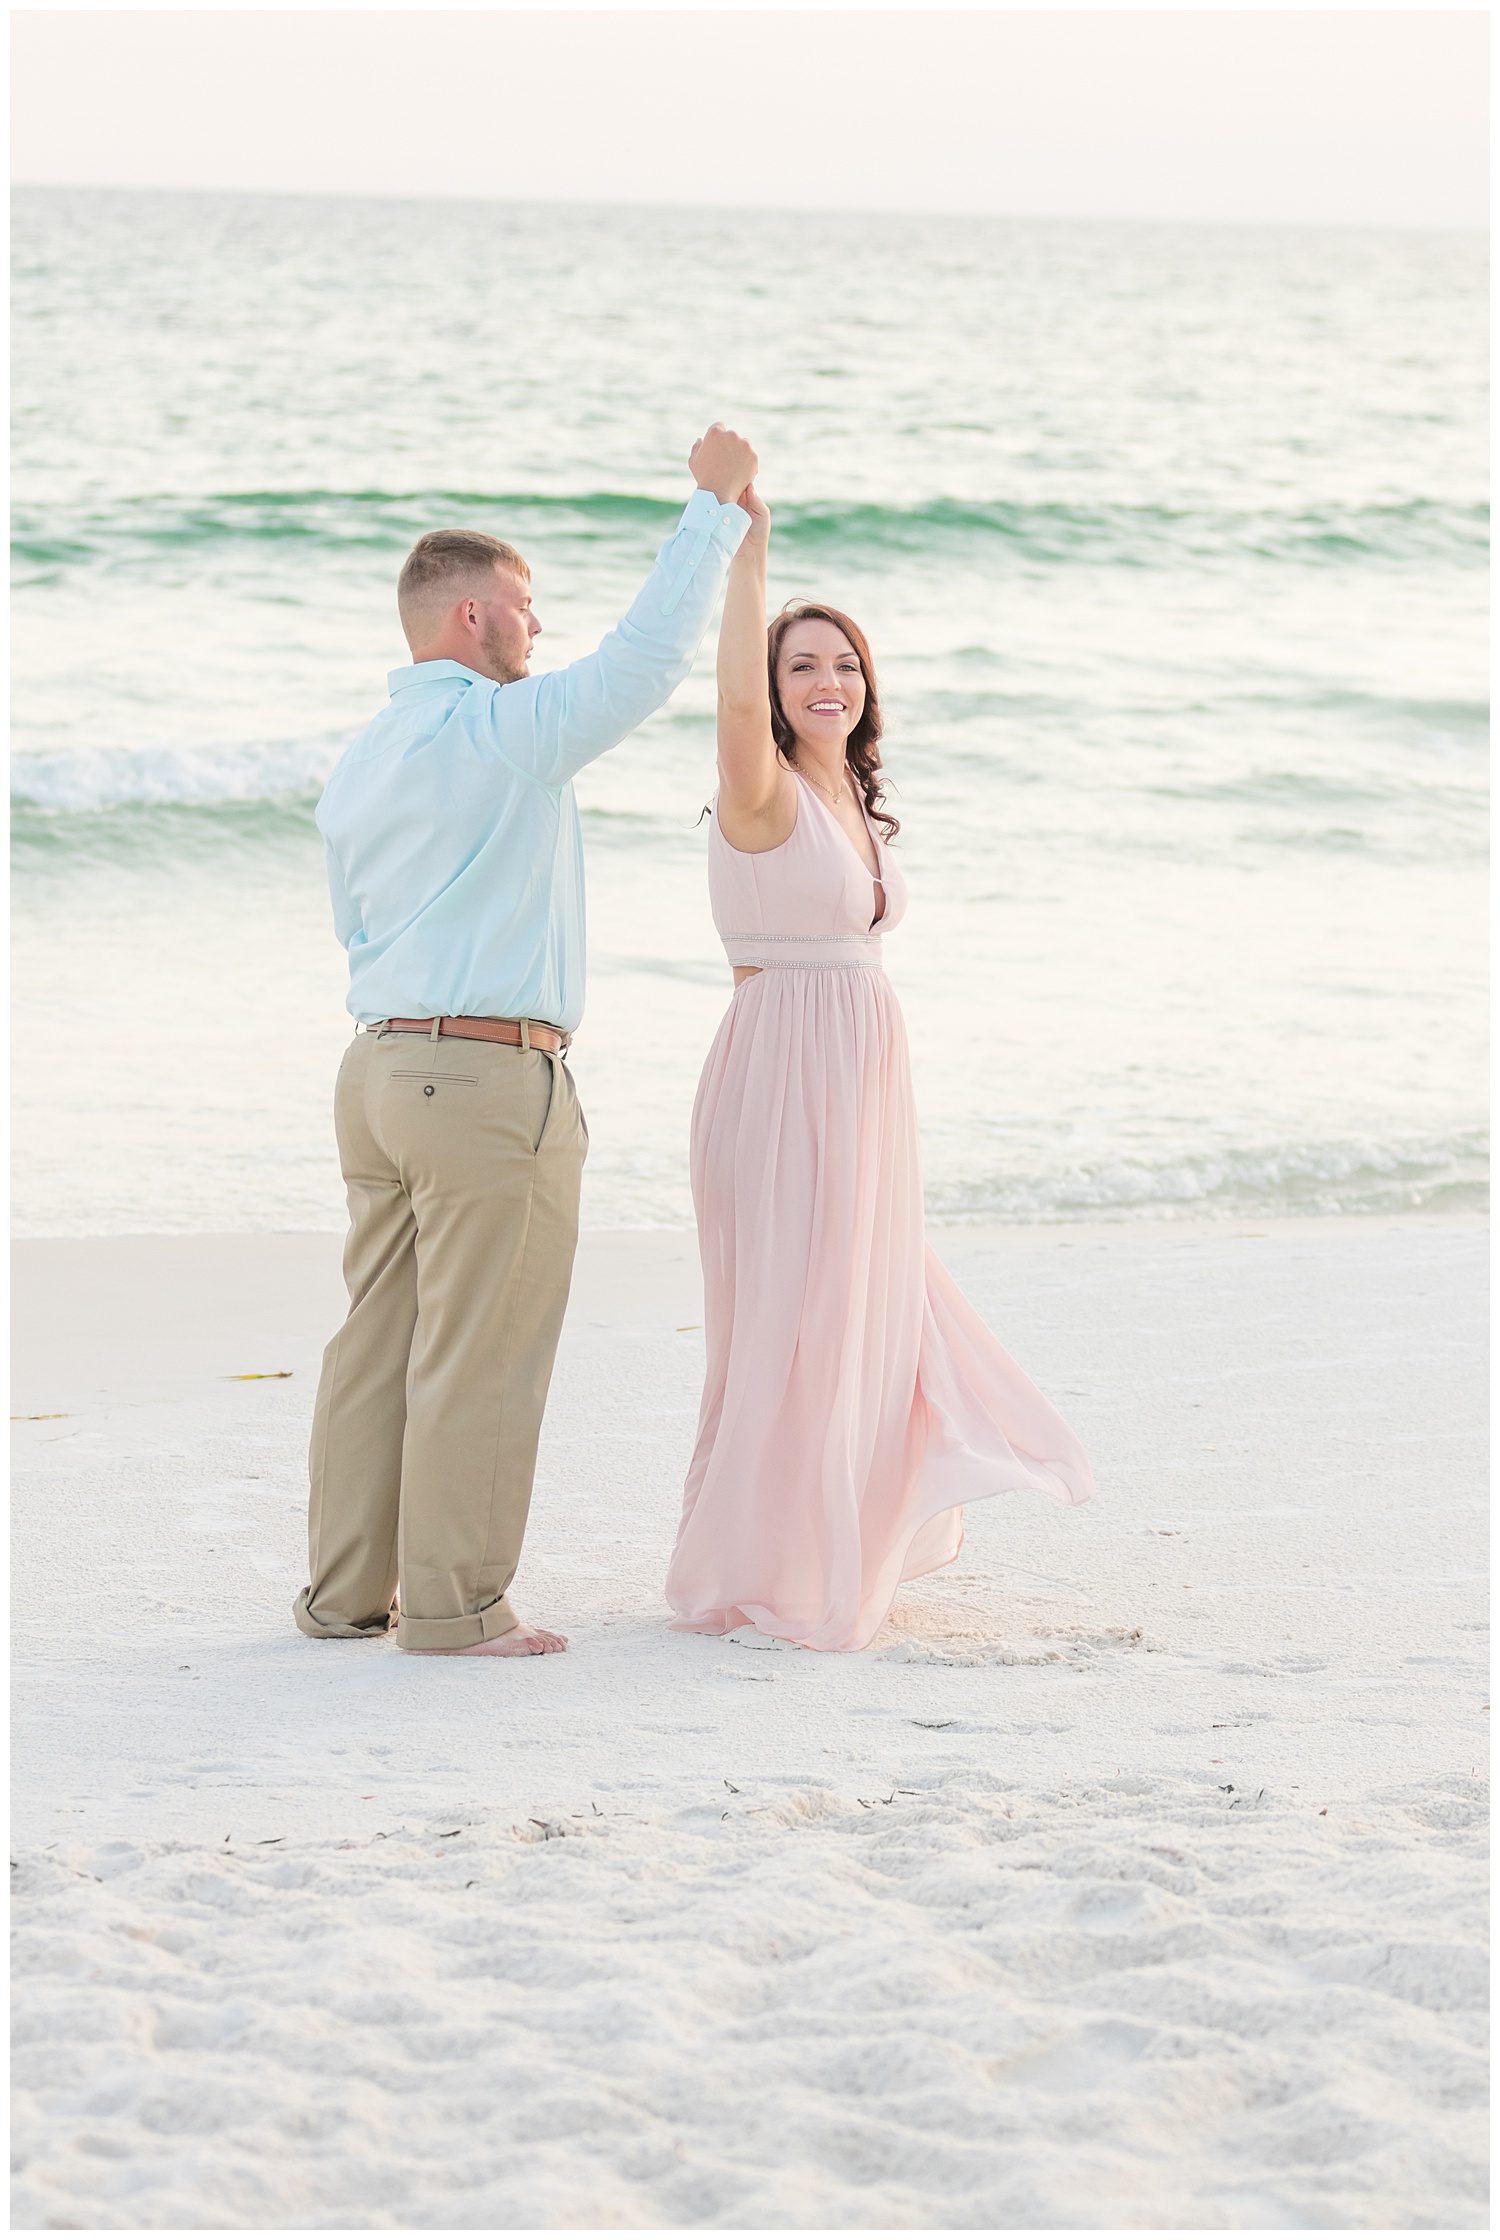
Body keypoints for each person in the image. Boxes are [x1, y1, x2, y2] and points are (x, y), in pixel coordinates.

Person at [296, 424, 756, 1658]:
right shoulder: (502, 735)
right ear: (467, 621)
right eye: (521, 607)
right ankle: (456, 1606)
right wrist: (711, 510)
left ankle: (344, 1595)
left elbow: (351, 919)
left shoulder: (363, 756)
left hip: (377, 1067)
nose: (536, 629)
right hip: (485, 1076)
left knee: (376, 1338)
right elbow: (646, 657)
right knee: (483, 1348)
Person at [665, 483, 1095, 1652]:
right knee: (790, 1328)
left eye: (846, 663)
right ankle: (760, 1564)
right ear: (769, 683)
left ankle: (835, 1537)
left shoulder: (851, 792)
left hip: (860, 1086)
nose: (828, 680)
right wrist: (747, 543)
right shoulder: (759, 790)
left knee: (868, 1311)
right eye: (802, 662)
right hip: (779, 1079)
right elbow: (727, 700)